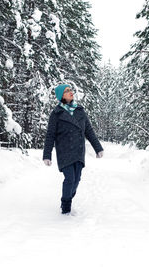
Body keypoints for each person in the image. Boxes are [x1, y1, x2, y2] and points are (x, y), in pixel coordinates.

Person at [43, 84, 104, 214]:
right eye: (67, 91)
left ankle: (68, 198)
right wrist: (47, 155)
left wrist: (98, 148)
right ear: (61, 96)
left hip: (78, 151)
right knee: (69, 178)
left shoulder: (80, 111)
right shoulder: (56, 114)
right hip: (64, 151)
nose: (70, 92)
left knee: (77, 179)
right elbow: (50, 135)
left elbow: (89, 131)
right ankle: (66, 206)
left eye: (70, 90)